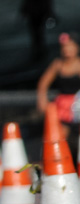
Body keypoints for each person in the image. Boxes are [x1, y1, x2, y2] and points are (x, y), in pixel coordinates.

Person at [36, 31, 80, 160]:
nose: (67, 50)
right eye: (64, 47)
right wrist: (42, 101)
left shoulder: (78, 64)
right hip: (62, 107)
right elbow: (43, 83)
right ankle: (55, 164)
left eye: (70, 46)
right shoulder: (58, 64)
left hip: (77, 105)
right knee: (59, 136)